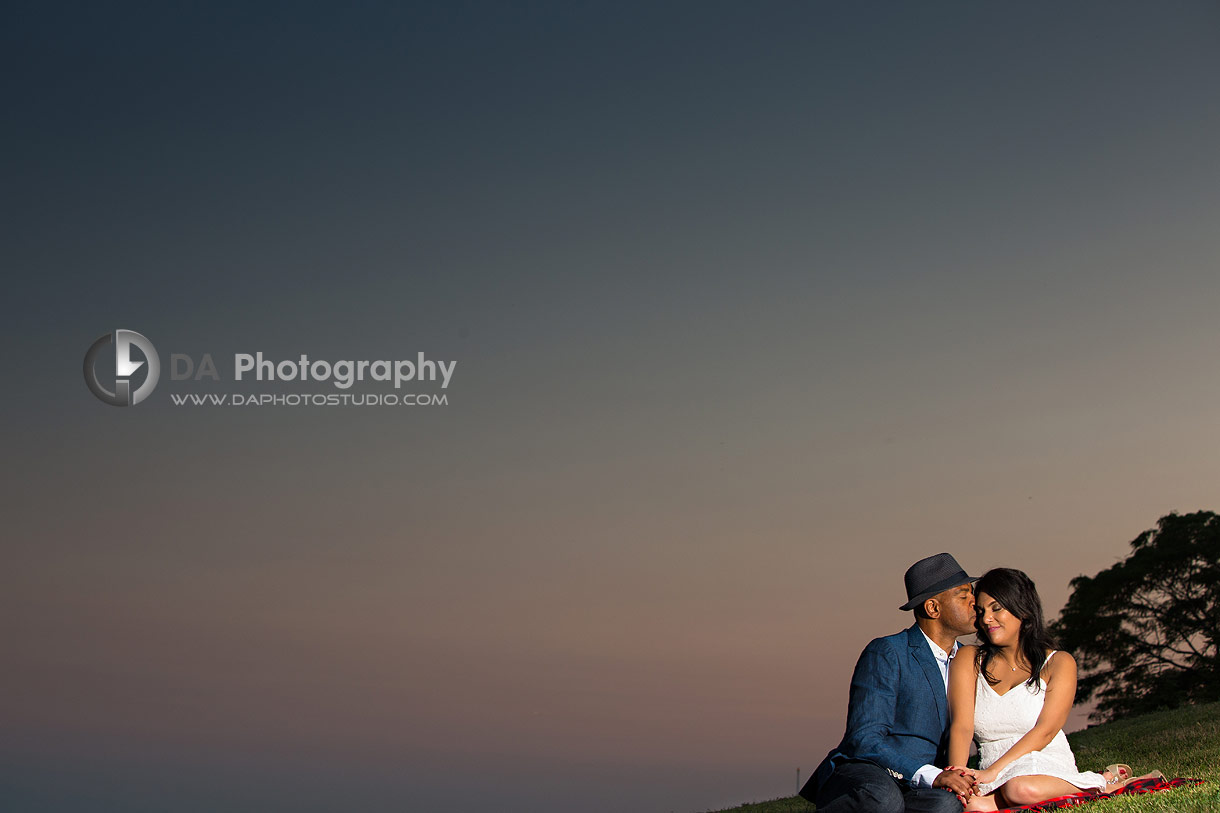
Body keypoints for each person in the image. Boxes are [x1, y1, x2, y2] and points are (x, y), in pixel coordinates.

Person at [946, 568, 1157, 811]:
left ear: (1023, 610)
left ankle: (1103, 785)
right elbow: (962, 726)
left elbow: (1046, 731)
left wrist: (994, 772)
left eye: (996, 609)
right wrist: (958, 777)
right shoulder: (968, 658)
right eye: (981, 611)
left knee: (1019, 789)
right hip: (990, 766)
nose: (986, 619)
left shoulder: (1059, 663)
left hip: (1041, 761)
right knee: (969, 805)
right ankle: (994, 801)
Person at [800, 553, 980, 813]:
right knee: (884, 799)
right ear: (933, 608)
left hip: (920, 788)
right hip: (870, 773)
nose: (976, 603)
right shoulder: (888, 651)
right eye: (964, 596)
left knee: (947, 806)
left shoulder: (969, 661)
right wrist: (930, 774)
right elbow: (863, 738)